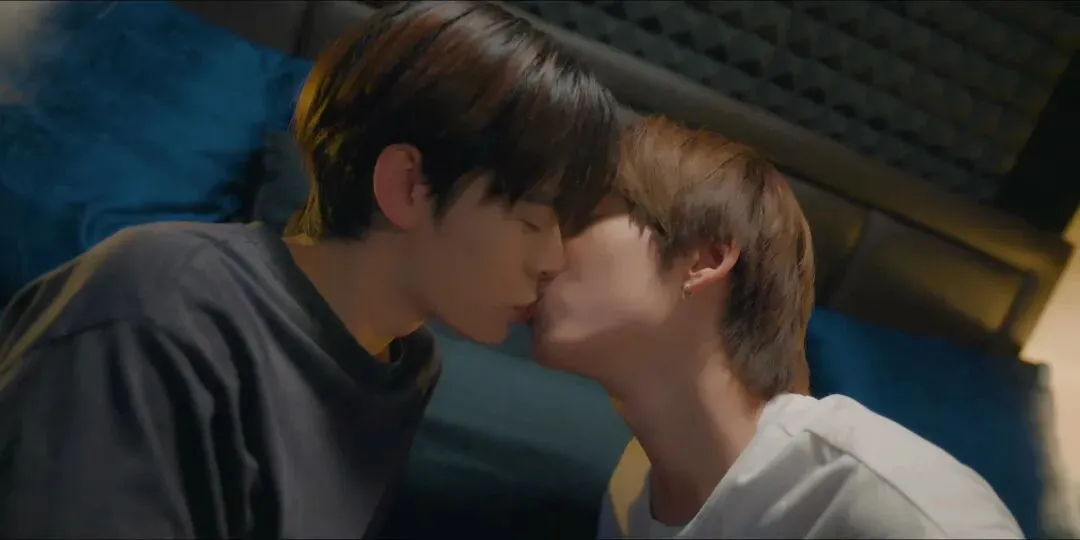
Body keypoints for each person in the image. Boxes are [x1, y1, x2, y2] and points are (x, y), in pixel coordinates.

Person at [0, 2, 619, 537]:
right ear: (407, 185)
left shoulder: (400, 361)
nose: (553, 259)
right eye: (532, 221)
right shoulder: (159, 307)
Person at [529, 115, 1023, 539]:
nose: (544, 250)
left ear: (704, 259)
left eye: (584, 219)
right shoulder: (633, 500)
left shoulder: (884, 499)